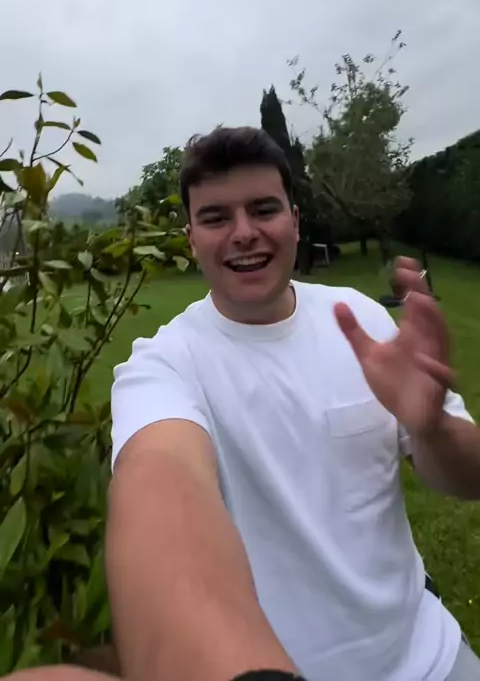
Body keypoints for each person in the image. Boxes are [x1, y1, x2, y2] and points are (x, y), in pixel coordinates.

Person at [106, 126, 480, 681]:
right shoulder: (164, 366)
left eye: (264, 209)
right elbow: (159, 494)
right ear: (191, 238)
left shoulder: (361, 322)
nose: (244, 233)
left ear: (296, 220)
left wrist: (432, 430)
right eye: (216, 218)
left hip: (435, 658)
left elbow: (470, 478)